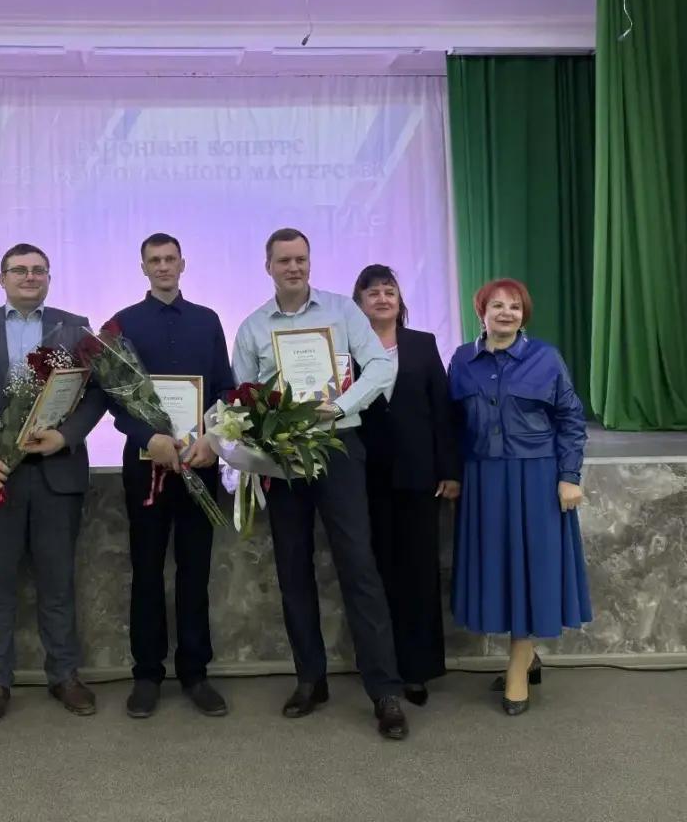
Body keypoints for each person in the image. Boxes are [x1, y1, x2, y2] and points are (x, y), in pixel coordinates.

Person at [231, 227, 409, 740]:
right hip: (282, 458)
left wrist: (341, 406)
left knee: (359, 566)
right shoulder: (252, 327)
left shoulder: (342, 311)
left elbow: (381, 366)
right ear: (268, 266)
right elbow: (243, 395)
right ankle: (311, 679)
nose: (294, 267)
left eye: (301, 259)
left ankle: (384, 690)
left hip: (338, 447)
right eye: (284, 260)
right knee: (292, 569)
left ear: (310, 262)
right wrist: (259, 435)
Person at [0, 243, 106, 725]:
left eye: (39, 270)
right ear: (2, 279)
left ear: (49, 278)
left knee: (58, 583)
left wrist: (66, 436)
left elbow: (98, 395)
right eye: (20, 270)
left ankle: (65, 675)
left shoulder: (75, 328)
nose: (30, 277)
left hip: (57, 474)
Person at [447, 277, 591, 716]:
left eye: (514, 306)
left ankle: (517, 667)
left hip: (536, 479)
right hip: (483, 480)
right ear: (482, 313)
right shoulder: (462, 360)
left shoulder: (546, 358)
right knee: (501, 570)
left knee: (531, 570)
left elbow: (571, 419)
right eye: (497, 305)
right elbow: (452, 425)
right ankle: (527, 658)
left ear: (523, 314)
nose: (506, 313)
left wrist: (569, 476)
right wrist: (452, 474)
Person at [107, 233, 236, 719]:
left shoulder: (208, 320)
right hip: (146, 469)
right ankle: (147, 675)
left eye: (170, 259)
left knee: (195, 570)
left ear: (183, 264)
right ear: (143, 267)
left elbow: (224, 389)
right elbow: (115, 399)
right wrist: (148, 437)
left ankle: (195, 673)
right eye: (154, 260)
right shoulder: (122, 323)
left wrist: (212, 439)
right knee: (145, 570)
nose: (163, 266)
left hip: (199, 461)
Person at [352, 264, 460, 708]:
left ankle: (417, 671)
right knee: (375, 575)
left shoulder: (422, 344)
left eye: (389, 291)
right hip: (364, 477)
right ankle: (383, 669)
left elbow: (442, 411)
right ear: (359, 303)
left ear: (399, 301)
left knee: (419, 573)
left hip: (419, 477)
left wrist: (450, 470)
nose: (382, 298)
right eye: (372, 292)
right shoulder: (346, 348)